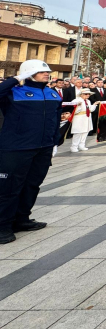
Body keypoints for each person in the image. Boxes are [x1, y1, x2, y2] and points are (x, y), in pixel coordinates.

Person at [0, 60, 61, 244]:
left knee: (32, 185)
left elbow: (55, 119)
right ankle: (3, 226)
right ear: (28, 73)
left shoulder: (53, 94)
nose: (46, 74)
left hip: (43, 148)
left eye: (47, 71)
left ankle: (22, 219)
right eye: (41, 71)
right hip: (16, 148)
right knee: (9, 188)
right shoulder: (14, 92)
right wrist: (16, 78)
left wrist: (54, 141)